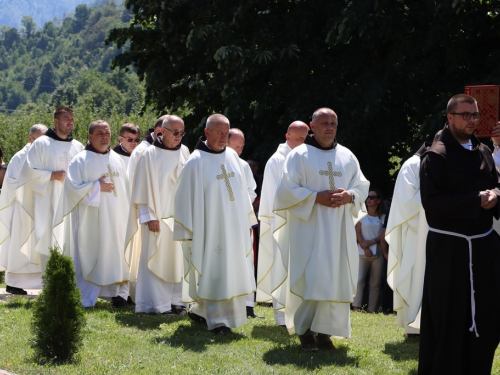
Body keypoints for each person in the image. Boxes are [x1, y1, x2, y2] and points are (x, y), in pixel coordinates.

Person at [273, 107, 369, 350]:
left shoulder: (347, 156)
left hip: (338, 230)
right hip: (309, 229)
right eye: (324, 123)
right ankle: (305, 331)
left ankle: (326, 331)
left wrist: (350, 196)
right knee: (312, 276)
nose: (329, 127)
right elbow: (285, 191)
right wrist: (315, 197)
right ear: (312, 126)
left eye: (333, 123)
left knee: (334, 277)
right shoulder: (299, 155)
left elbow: (361, 186)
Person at [418, 94, 500, 374]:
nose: (472, 120)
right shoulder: (436, 155)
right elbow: (432, 201)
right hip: (449, 248)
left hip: (484, 246)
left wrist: (495, 196)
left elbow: (496, 185)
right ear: (450, 117)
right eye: (465, 115)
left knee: (488, 314)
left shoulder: (483, 151)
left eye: (475, 115)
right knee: (449, 317)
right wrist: (475, 199)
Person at [169, 114, 256, 335]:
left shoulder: (233, 159)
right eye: (218, 132)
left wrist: (246, 220)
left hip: (234, 228)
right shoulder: (196, 162)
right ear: (207, 133)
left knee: (231, 269)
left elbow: (243, 193)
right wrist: (190, 229)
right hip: (210, 229)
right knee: (214, 269)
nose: (223, 137)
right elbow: (183, 197)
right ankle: (219, 321)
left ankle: (200, 311)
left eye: (226, 133)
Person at [54, 120, 130, 308]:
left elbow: (126, 189)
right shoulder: (81, 160)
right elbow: (71, 190)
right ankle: (86, 298)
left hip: (116, 217)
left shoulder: (117, 159)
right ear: (90, 137)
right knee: (90, 254)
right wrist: (97, 187)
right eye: (99, 133)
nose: (105, 137)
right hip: (91, 220)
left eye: (107, 132)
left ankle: (117, 295)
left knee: (116, 253)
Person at [126, 115, 190, 314]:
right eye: (175, 132)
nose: (179, 137)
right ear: (162, 131)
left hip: (179, 217)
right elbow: (142, 187)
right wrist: (149, 216)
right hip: (157, 217)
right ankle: (156, 304)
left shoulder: (185, 152)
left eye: (182, 133)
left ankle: (176, 301)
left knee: (178, 259)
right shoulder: (149, 154)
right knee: (156, 255)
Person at [384, 131, 441, 335]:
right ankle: (413, 326)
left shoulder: (442, 164)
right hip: (416, 236)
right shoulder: (413, 165)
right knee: (416, 276)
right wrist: (442, 205)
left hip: (439, 232)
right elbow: (407, 202)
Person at [16, 107, 84, 272]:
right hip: (47, 201)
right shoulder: (41, 144)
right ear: (56, 121)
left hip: (71, 202)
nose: (70, 122)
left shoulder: (78, 146)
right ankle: (50, 286)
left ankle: (71, 286)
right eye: (66, 118)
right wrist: (52, 175)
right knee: (49, 240)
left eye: (72, 119)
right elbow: (27, 172)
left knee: (72, 240)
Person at [256, 120, 309, 326]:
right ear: (287, 137)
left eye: (305, 138)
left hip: (303, 223)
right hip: (281, 223)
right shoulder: (277, 161)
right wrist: (270, 224)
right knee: (282, 268)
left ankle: (299, 312)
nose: (302, 143)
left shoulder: (307, 157)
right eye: (298, 139)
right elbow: (271, 195)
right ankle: (281, 315)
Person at [0, 125, 48, 295]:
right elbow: (11, 183)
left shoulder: (46, 155)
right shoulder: (20, 157)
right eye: (38, 140)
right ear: (30, 139)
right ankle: (14, 282)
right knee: (20, 245)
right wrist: (32, 186)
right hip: (22, 209)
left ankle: (44, 282)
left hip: (42, 207)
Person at [227, 128, 261, 319]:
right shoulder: (218, 163)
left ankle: (248, 304)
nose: (239, 150)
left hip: (242, 220)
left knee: (247, 261)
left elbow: (252, 191)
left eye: (242, 146)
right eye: (236, 146)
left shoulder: (243, 166)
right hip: (225, 222)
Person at [352, 189, 385, 313]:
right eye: (368, 197)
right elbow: (357, 232)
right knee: (359, 280)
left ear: (378, 200)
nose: (369, 200)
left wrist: (370, 242)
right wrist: (364, 246)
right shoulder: (361, 215)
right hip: (361, 253)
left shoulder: (382, 217)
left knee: (375, 283)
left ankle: (372, 309)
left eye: (372, 197)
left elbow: (382, 235)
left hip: (377, 254)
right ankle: (356, 306)